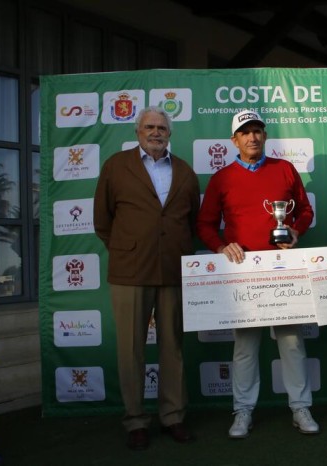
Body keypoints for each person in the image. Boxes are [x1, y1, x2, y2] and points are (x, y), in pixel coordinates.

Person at [196, 110, 318, 439]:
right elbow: (205, 224)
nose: (252, 137)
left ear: (264, 136)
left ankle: (300, 407)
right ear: (234, 140)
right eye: (245, 132)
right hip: (244, 272)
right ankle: (243, 411)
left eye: (257, 131)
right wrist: (221, 248)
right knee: (245, 346)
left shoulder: (284, 169)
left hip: (282, 269)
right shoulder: (221, 178)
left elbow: (305, 210)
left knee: (291, 343)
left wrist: (294, 231)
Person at [94, 106, 200, 450]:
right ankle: (135, 420)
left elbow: (192, 222)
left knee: (173, 348)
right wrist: (129, 248)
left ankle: (174, 416)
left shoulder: (184, 170)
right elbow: (102, 220)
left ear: (170, 133)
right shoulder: (115, 165)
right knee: (130, 349)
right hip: (130, 272)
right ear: (138, 131)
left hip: (172, 270)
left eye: (162, 128)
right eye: (150, 127)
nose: (156, 132)